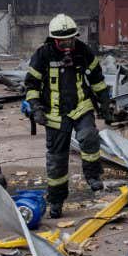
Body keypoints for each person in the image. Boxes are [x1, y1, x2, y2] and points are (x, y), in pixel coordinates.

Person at [22, 13, 111, 218]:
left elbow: (97, 78)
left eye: (71, 39)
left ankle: (93, 176)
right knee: (57, 160)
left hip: (81, 106)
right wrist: (35, 108)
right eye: (63, 41)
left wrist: (105, 104)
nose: (68, 44)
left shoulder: (83, 51)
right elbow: (31, 84)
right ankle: (56, 201)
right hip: (54, 113)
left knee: (89, 136)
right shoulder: (43, 55)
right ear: (54, 39)